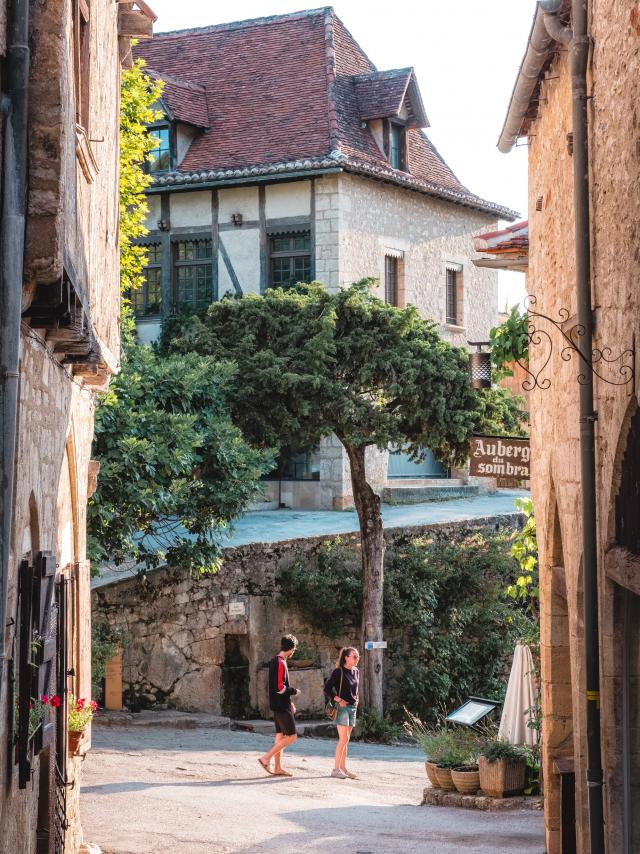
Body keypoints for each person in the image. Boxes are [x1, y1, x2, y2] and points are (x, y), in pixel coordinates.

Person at [258, 634, 301, 777]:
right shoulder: (280, 662)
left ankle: (277, 768)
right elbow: (279, 687)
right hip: (282, 706)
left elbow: (279, 688)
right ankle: (266, 758)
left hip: (278, 704)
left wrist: (291, 701)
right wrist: (294, 691)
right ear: (292, 649)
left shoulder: (275, 661)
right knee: (292, 736)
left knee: (280, 735)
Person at [324, 647, 360, 779]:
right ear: (346, 657)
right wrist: (338, 699)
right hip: (343, 709)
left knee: (347, 739)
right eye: (354, 656)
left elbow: (356, 690)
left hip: (352, 708)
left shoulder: (356, 671)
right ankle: (335, 769)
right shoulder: (338, 672)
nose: (357, 658)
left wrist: (356, 701)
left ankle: (343, 768)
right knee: (343, 739)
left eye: (357, 656)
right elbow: (327, 688)